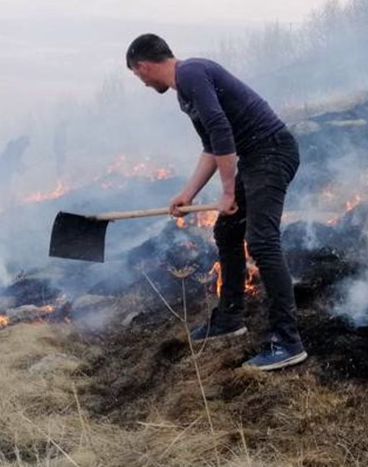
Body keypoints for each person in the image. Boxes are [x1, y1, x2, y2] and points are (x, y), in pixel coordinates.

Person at [126, 33, 307, 371]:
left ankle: (287, 342)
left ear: (143, 66)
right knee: (227, 232)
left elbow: (222, 131)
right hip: (256, 158)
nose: (143, 83)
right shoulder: (185, 92)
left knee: (262, 242)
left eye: (138, 76)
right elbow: (212, 147)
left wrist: (227, 193)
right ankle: (230, 318)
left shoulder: (191, 73)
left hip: (272, 150)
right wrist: (188, 194)